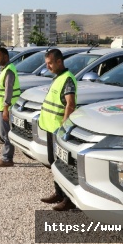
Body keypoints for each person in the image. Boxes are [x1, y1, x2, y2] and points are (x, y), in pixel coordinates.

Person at [38, 49, 77, 211]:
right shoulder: (58, 78)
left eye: (50, 63)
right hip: (50, 127)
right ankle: (58, 192)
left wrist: (63, 125)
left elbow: (70, 104)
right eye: (46, 63)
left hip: (58, 130)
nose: (48, 66)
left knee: (63, 165)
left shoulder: (67, 79)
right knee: (53, 162)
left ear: (59, 61)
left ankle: (68, 199)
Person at [0, 47, 20, 167]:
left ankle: (7, 158)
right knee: (4, 133)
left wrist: (5, 109)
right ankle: (7, 156)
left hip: (5, 108)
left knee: (6, 133)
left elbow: (8, 91)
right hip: (1, 107)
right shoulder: (5, 69)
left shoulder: (9, 70)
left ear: (6, 57)